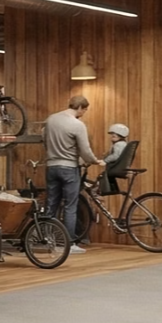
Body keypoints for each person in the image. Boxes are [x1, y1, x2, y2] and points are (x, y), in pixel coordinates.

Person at [42, 94, 99, 253]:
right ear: (80, 107)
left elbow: (44, 139)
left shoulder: (51, 119)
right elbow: (85, 150)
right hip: (69, 168)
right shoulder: (77, 125)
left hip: (51, 166)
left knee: (51, 205)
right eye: (84, 110)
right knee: (70, 206)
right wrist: (95, 161)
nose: (83, 113)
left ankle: (49, 241)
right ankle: (69, 244)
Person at [100, 123, 132, 194]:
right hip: (119, 168)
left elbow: (115, 155)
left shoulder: (118, 144)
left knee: (101, 177)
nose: (111, 137)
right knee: (108, 177)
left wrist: (105, 161)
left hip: (115, 168)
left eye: (114, 135)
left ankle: (106, 191)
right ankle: (114, 190)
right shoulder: (123, 144)